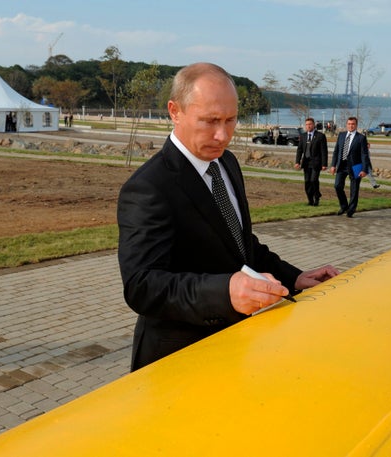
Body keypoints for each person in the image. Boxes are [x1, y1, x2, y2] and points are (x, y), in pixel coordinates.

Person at [117, 63, 339, 371]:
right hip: (178, 358)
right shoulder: (148, 187)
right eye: (209, 121)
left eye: (231, 120)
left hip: (236, 346)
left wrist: (294, 278)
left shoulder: (227, 164)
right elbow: (142, 286)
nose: (222, 135)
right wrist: (224, 293)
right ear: (175, 111)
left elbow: (240, 244)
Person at [330, 117, 370, 218]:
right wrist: (333, 165)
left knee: (354, 189)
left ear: (356, 125)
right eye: (349, 124)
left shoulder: (361, 138)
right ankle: (344, 206)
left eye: (353, 124)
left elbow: (364, 155)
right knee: (337, 186)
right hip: (342, 165)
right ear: (346, 124)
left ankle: (351, 210)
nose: (350, 126)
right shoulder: (341, 135)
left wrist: (364, 170)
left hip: (355, 166)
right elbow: (336, 151)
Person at [294, 117, 328, 206]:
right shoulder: (303, 136)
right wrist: (297, 162)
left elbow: (324, 151)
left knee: (314, 180)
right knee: (307, 182)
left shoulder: (320, 136)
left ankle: (316, 197)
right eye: (307, 125)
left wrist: (324, 164)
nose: (308, 126)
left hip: (316, 163)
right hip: (306, 163)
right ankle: (310, 200)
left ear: (313, 125)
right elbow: (299, 150)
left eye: (310, 124)